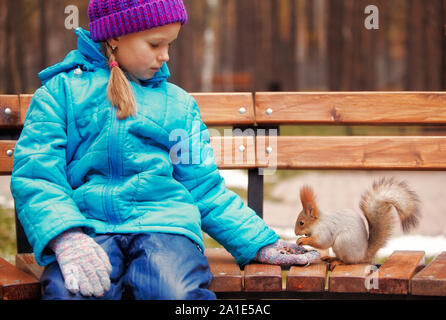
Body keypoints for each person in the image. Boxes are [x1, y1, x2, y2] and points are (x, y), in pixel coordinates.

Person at [10, 0, 319, 300]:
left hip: (165, 228)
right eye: (155, 44)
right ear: (116, 36)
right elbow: (38, 175)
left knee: (173, 292)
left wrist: (259, 242)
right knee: (73, 291)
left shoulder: (177, 105)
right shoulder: (60, 93)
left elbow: (204, 189)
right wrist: (66, 237)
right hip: (88, 228)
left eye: (170, 45)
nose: (165, 56)